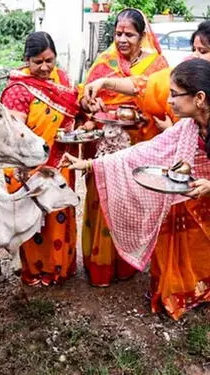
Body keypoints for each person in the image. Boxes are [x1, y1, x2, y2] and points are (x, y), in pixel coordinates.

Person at [63, 58, 210, 320]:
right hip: (193, 198)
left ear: (199, 98)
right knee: (175, 234)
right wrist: (89, 164)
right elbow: (145, 152)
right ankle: (183, 293)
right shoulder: (187, 127)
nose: (169, 102)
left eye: (175, 95)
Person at [79, 8, 169, 287]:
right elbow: (84, 96)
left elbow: (162, 99)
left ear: (143, 36)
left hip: (140, 145)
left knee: (131, 203)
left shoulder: (157, 65)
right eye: (118, 33)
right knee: (102, 200)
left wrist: (145, 116)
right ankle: (100, 266)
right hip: (107, 145)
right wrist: (89, 103)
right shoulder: (105, 61)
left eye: (129, 34)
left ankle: (126, 264)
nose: (122, 39)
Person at [0, 31, 83, 286]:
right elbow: (14, 135)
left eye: (50, 60)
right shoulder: (18, 90)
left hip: (60, 161)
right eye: (38, 62)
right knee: (33, 222)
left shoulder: (63, 79)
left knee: (59, 217)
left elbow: (74, 110)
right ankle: (36, 271)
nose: (45, 67)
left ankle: (61, 269)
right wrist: (25, 165)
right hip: (28, 168)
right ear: (27, 60)